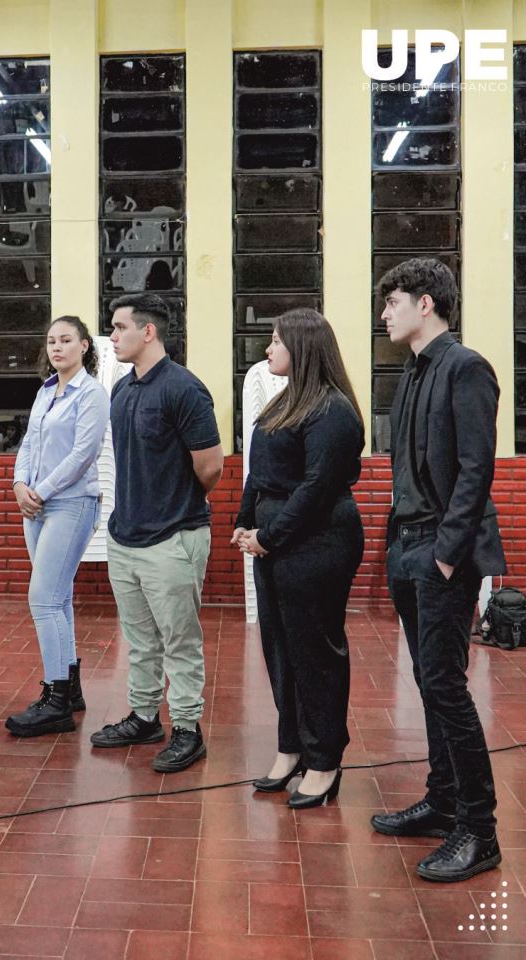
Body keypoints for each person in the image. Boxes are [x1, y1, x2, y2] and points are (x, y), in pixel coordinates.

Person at [371, 258, 506, 882]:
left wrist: (447, 554)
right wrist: (398, 546)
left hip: (441, 551)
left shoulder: (466, 366)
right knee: (429, 681)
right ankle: (443, 799)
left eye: (392, 302)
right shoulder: (413, 371)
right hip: (408, 546)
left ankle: (479, 830)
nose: (384, 314)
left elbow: (477, 468)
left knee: (446, 685)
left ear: (425, 303)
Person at [233, 309, 364, 808]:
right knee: (280, 650)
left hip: (317, 544)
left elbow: (316, 488)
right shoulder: (286, 401)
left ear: (303, 347)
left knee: (315, 655)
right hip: (275, 542)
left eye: (276, 341)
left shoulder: (333, 410)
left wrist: (269, 535)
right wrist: (245, 522)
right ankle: (292, 748)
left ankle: (325, 760)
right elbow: (259, 471)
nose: (268, 350)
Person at [89, 293, 223, 772]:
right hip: (125, 537)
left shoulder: (184, 389)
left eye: (119, 327)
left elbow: (211, 467)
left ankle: (187, 728)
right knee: (140, 640)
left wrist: (174, 503)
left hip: (173, 537)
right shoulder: (123, 389)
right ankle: (145, 717)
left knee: (179, 641)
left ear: (148, 332)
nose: (112, 336)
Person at [6, 316, 110, 737]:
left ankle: (55, 700)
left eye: (66, 340)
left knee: (43, 599)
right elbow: (29, 443)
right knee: (58, 596)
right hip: (35, 505)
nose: (57, 347)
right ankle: (70, 690)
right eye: (51, 341)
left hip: (71, 503)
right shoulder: (45, 391)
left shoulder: (92, 393)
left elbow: (84, 454)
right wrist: (19, 484)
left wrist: (40, 491)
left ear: (84, 346)